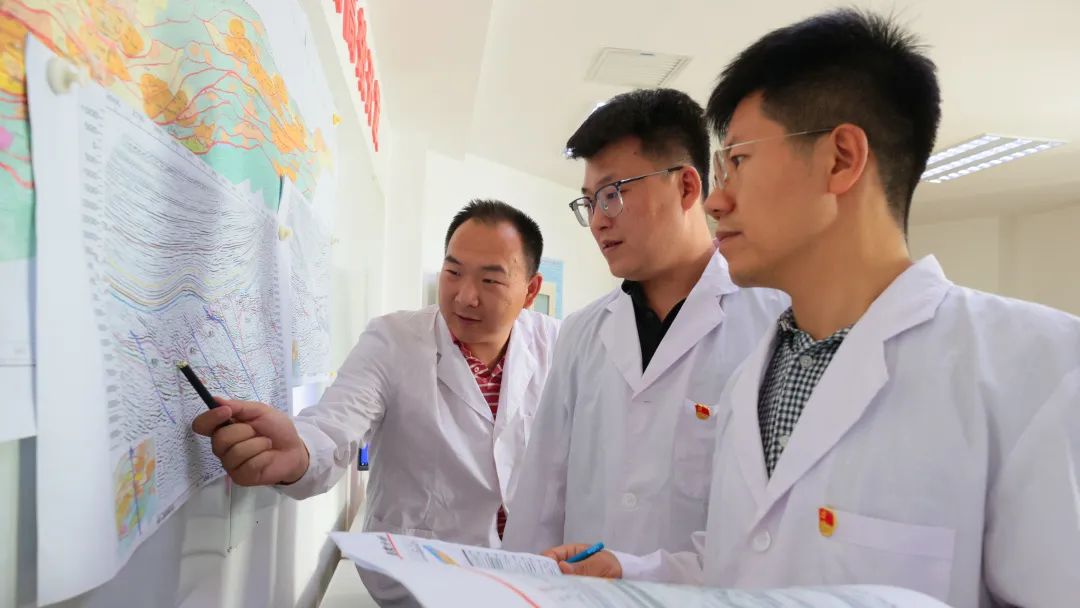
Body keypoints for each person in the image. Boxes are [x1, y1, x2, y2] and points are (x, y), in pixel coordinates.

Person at [544, 10, 1080, 607]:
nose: (717, 201)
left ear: (841, 159)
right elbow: (745, 562)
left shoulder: (1036, 371)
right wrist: (631, 569)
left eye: (738, 161)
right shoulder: (755, 379)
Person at [192, 200, 560, 603]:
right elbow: (334, 426)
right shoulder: (393, 340)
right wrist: (298, 452)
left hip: (527, 578)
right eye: (453, 272)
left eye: (490, 281)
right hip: (419, 580)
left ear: (531, 290)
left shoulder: (559, 345)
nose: (464, 297)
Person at [502, 89, 787, 556]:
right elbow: (540, 500)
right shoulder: (581, 334)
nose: (598, 221)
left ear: (687, 187)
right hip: (577, 590)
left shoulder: (772, 322)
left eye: (612, 194)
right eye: (589, 202)